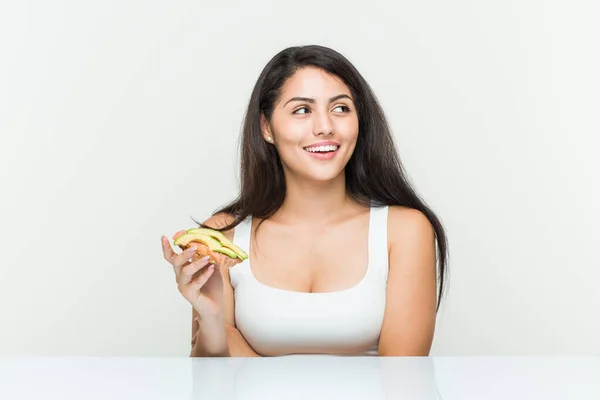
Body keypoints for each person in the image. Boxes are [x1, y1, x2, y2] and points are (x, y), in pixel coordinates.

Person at [161, 45, 449, 357]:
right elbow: (211, 383)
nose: (325, 126)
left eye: (340, 108)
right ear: (266, 127)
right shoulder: (221, 236)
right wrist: (213, 321)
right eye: (302, 110)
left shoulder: (405, 231)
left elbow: (403, 379)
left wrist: (248, 360)